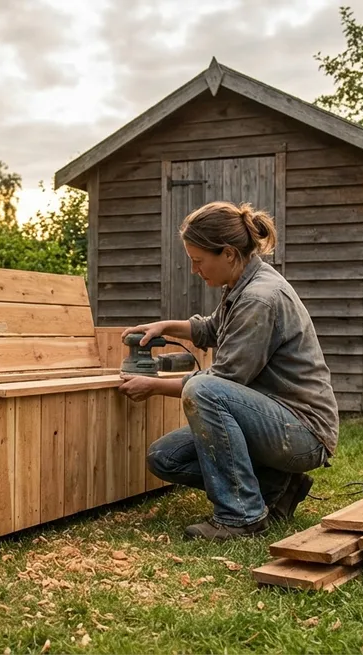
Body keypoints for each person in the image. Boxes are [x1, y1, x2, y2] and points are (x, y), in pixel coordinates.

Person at [117, 200, 340, 541]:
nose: (195, 270)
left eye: (198, 261)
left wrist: (153, 385)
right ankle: (278, 487)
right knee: (165, 458)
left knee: (204, 391)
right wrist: (164, 326)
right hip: (273, 421)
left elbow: (222, 381)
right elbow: (209, 329)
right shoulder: (240, 285)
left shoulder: (259, 298)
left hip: (303, 432)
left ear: (229, 254)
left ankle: (241, 517)